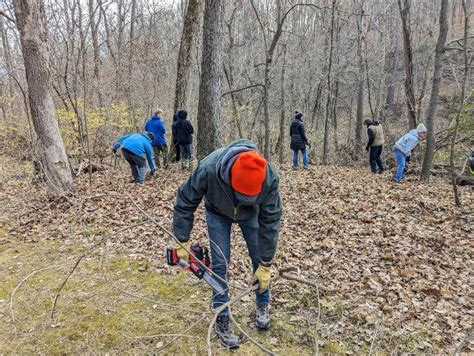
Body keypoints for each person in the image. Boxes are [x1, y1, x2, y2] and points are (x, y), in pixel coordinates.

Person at [172, 139, 281, 349]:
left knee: (260, 260)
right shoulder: (208, 168)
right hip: (217, 212)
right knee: (220, 264)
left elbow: (271, 220)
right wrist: (181, 239)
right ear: (230, 177)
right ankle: (222, 319)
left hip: (251, 215)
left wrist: (266, 263)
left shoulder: (269, 177)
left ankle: (262, 304)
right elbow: (185, 200)